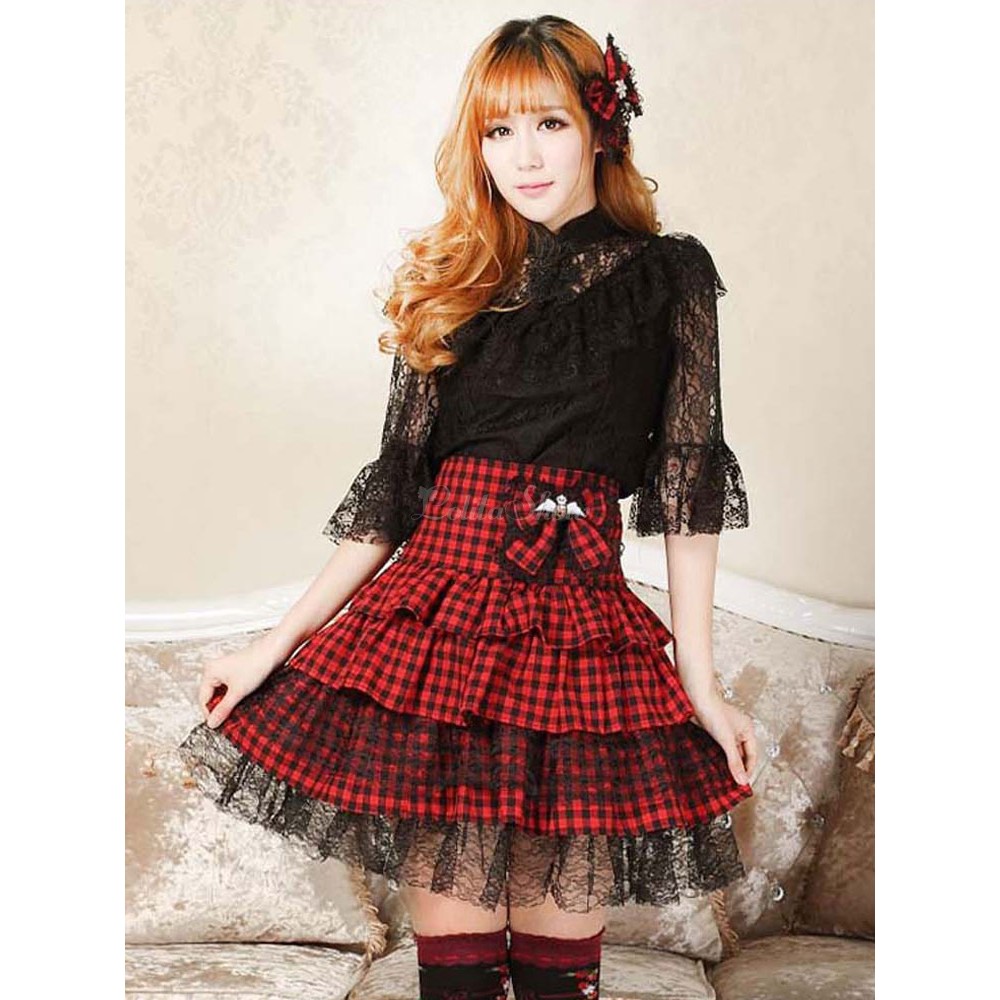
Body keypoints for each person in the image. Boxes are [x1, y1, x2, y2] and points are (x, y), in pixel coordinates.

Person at [178, 15, 757, 1000]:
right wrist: (269, 648)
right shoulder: (450, 283)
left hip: (578, 638)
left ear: (601, 127)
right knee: (455, 980)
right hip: (438, 634)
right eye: (499, 131)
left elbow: (686, 488)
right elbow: (393, 496)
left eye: (549, 123)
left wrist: (699, 680)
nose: (523, 156)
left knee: (559, 977)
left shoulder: (670, 279)